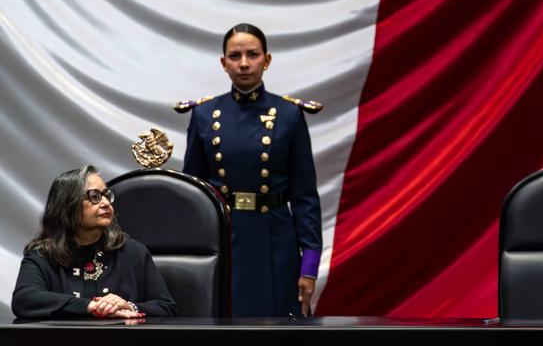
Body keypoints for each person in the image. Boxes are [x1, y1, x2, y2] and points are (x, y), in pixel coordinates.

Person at [179, 23, 322, 317]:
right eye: (235, 56)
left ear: (266, 60)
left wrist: (309, 266)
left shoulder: (289, 114)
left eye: (252, 54)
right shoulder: (205, 114)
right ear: (223, 63)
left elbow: (305, 195)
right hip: (223, 238)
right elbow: (192, 194)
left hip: (275, 238)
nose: (243, 64)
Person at [12, 165, 177, 319]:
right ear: (67, 205)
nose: (106, 203)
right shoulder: (43, 255)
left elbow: (166, 307)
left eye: (106, 195)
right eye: (95, 197)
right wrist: (90, 306)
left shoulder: (133, 251)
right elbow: (24, 299)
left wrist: (129, 306)